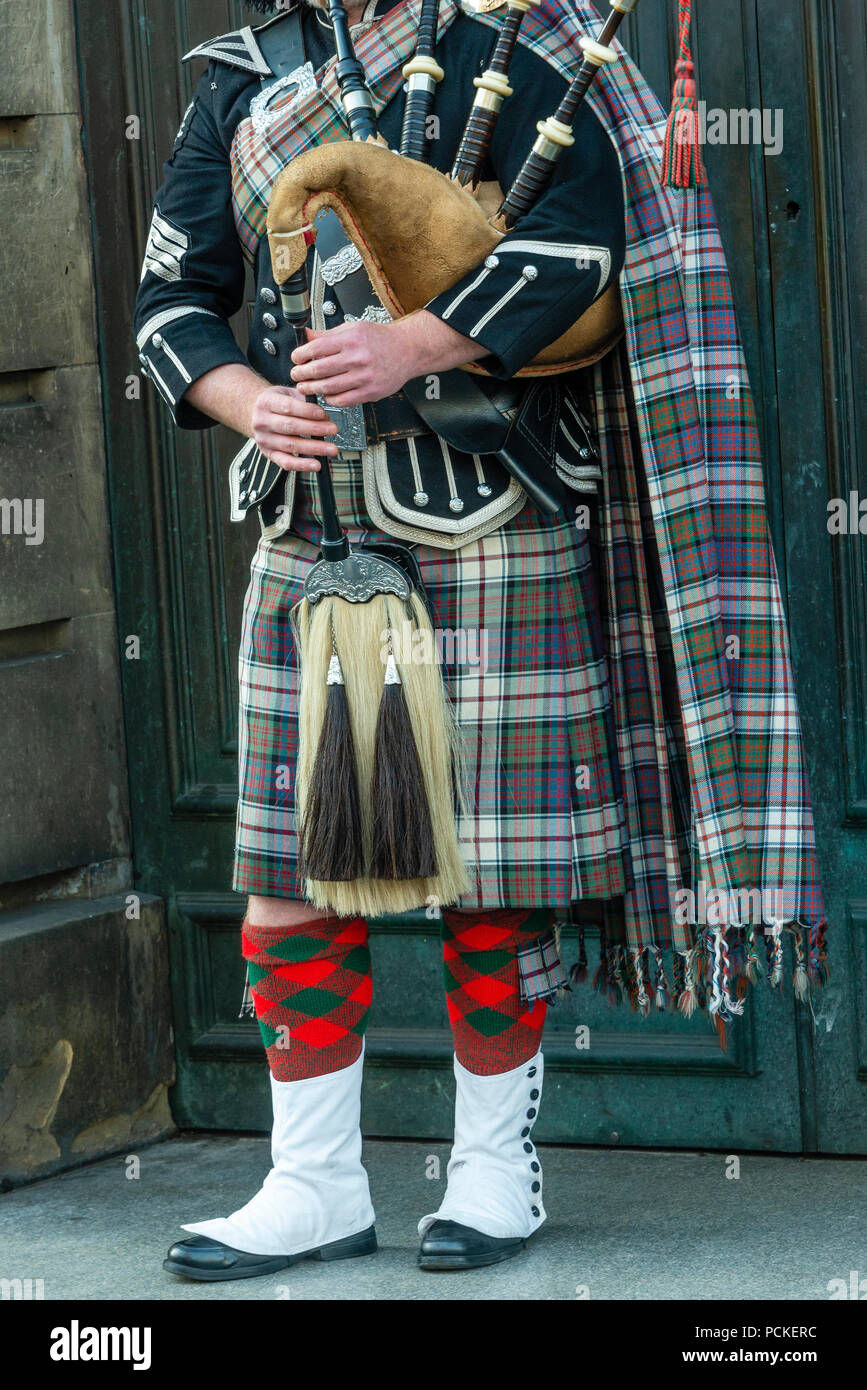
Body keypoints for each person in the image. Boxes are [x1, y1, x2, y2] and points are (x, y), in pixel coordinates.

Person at [135, 0, 826, 1282]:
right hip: (314, 526)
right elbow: (171, 301)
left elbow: (588, 251)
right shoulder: (242, 78)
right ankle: (312, 1183)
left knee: (494, 868)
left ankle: (496, 1170)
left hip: (493, 512)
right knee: (292, 866)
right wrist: (246, 404)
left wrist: (417, 343)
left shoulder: (530, 48)